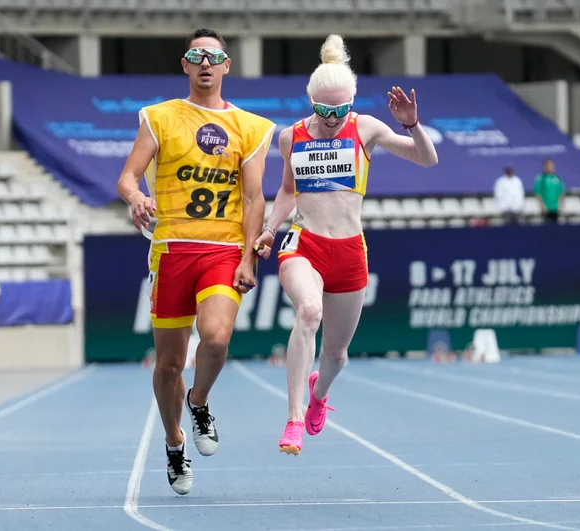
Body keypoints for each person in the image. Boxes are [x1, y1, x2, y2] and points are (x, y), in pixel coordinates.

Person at [255, 34, 438, 455]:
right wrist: (269, 227)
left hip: (350, 251)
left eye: (341, 109)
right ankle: (294, 419)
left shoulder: (367, 128)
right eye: (324, 110)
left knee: (336, 354)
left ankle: (320, 393)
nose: (333, 117)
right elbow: (287, 190)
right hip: (305, 243)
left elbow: (427, 160)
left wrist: (412, 124)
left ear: (351, 102)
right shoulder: (291, 137)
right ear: (311, 102)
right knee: (309, 311)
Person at [117, 28, 275, 495]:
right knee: (166, 366)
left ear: (227, 65)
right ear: (185, 64)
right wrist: (135, 196)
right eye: (196, 55)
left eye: (214, 56)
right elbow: (127, 176)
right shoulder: (159, 117)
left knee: (217, 337)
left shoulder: (250, 127)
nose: (205, 63)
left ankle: (199, 400)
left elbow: (253, 198)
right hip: (171, 250)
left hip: (223, 249)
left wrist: (249, 257)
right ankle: (173, 442)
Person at [533, 158, 565, 223]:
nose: (549, 167)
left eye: (551, 165)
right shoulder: (540, 178)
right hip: (545, 209)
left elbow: (561, 193)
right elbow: (537, 193)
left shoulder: (557, 178)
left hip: (556, 208)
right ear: (544, 166)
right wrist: (542, 205)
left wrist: (560, 205)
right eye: (547, 165)